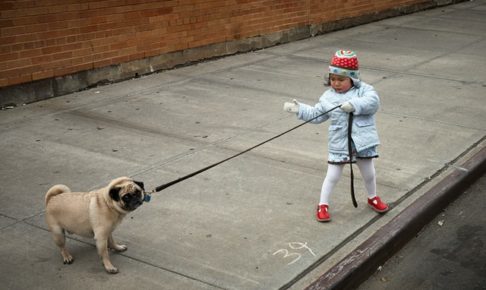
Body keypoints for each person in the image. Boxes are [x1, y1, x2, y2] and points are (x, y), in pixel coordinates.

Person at [283, 50, 389, 222]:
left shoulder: (364, 90)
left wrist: (354, 104)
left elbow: (373, 102)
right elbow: (318, 114)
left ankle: (373, 197)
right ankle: (322, 205)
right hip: (340, 142)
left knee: (369, 173)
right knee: (332, 175)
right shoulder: (327, 97)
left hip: (362, 141)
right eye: (333, 79)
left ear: (352, 79)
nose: (336, 83)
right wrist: (300, 109)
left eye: (341, 80)